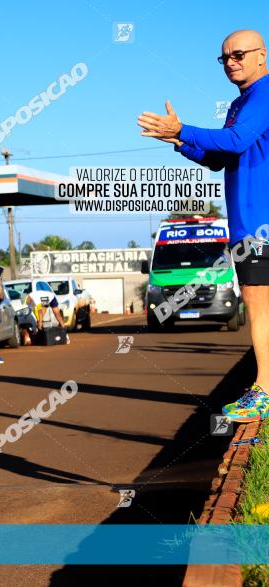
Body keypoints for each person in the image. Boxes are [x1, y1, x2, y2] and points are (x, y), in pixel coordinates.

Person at [137, 29, 269, 422]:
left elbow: (234, 141)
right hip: (250, 225)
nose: (231, 61)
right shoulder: (241, 101)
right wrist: (180, 143)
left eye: (239, 54)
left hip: (258, 226)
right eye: (224, 57)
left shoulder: (263, 94)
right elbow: (217, 158)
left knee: (259, 309)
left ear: (262, 55)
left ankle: (263, 390)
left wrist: (182, 130)